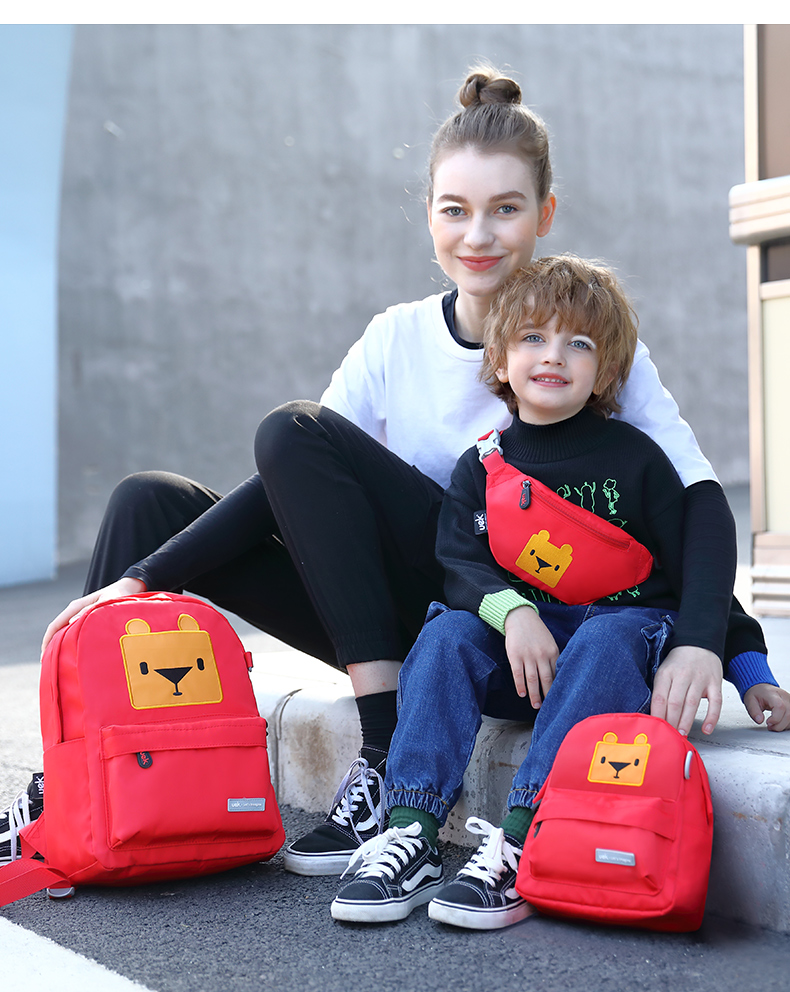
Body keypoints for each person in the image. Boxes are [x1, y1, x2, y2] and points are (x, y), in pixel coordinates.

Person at [0, 65, 777, 874]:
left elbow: (685, 503)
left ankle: (380, 753)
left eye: (506, 209)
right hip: (392, 612)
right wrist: (143, 576)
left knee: (294, 430)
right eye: (456, 210)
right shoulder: (397, 338)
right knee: (146, 505)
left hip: (504, 630)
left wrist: (710, 643)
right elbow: (293, 473)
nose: (478, 235)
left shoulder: (584, 352)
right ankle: (74, 777)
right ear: (430, 216)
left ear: (545, 214)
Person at [329, 255, 790, 929]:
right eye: (533, 337)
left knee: (610, 630)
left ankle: (524, 836)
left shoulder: (638, 459)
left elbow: (697, 570)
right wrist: (513, 612)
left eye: (578, 343)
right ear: (500, 357)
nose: (554, 355)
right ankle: (411, 832)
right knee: (446, 630)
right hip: (527, 667)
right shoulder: (481, 466)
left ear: (606, 372)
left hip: (616, 665)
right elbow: (460, 566)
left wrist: (750, 670)